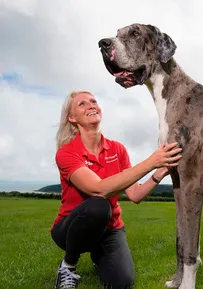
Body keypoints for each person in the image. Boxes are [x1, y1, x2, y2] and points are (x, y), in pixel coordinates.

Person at [50, 90, 182, 289]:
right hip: (69, 229)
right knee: (98, 205)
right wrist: (151, 162)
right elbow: (97, 190)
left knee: (122, 282)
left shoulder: (117, 149)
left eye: (93, 101)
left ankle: (98, 255)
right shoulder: (67, 153)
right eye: (82, 104)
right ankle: (68, 265)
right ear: (71, 118)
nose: (91, 105)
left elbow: (135, 195)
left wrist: (158, 173)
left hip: (110, 229)